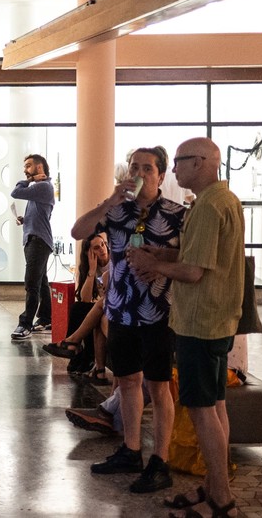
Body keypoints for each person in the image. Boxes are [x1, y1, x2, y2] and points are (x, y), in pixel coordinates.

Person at [126, 137, 245, 518]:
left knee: (200, 409)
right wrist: (164, 253)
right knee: (216, 405)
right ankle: (213, 485)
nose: (174, 168)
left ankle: (221, 498)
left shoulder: (209, 206)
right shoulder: (221, 200)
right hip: (216, 319)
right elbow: (202, 256)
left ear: (202, 162)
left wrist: (153, 265)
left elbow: (194, 272)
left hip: (201, 321)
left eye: (179, 161)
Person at [71, 146, 185, 494]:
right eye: (134, 167)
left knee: (158, 386)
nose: (139, 174)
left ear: (161, 176)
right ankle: (131, 450)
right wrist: (109, 201)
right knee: (128, 382)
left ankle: (160, 461)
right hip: (120, 310)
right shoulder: (116, 211)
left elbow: (192, 259)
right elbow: (78, 231)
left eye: (147, 168)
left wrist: (161, 262)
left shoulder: (178, 214)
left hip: (159, 313)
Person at [42, 232, 110, 379]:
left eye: (103, 244)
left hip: (112, 306)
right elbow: (85, 298)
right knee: (79, 308)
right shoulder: (90, 267)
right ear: (89, 253)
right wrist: (92, 271)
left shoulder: (115, 263)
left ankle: (73, 345)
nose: (102, 249)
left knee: (87, 311)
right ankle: (77, 352)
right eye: (96, 248)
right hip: (105, 306)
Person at [11, 154, 55, 338]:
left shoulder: (43, 186)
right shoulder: (40, 188)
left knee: (31, 283)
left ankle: (25, 324)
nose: (25, 170)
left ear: (39, 167)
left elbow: (16, 192)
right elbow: (40, 213)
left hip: (38, 241)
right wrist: (25, 219)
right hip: (36, 239)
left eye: (28, 166)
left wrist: (28, 180)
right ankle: (46, 318)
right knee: (41, 282)